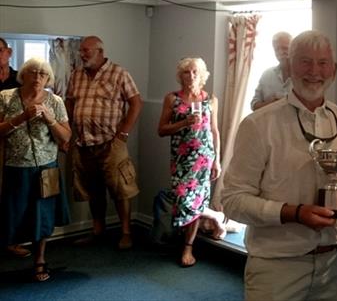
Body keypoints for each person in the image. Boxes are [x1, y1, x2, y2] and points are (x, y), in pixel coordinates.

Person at [222, 30, 337, 301]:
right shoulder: (258, 124)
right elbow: (232, 201)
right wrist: (294, 212)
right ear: (289, 67)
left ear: (334, 70)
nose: (315, 71)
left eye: (323, 63)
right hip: (277, 265)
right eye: (305, 61)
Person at [66, 36, 142, 250]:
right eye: (81, 50)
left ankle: (126, 233)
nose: (82, 54)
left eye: (86, 50)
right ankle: (98, 231)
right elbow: (70, 101)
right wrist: (71, 126)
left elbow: (136, 103)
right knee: (93, 190)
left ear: (100, 51)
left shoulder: (119, 73)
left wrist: (123, 134)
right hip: (83, 144)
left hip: (111, 144)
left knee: (120, 190)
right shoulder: (76, 75)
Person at [0, 58, 72, 282]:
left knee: (43, 216)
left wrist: (50, 120)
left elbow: (66, 137)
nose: (38, 78)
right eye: (34, 73)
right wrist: (23, 117)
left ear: (48, 78)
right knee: (12, 216)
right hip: (16, 167)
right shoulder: (6, 97)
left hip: (46, 169)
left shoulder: (56, 101)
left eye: (43, 74)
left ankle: (39, 260)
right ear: (24, 75)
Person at [157, 57, 221, 267]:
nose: (191, 76)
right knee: (183, 200)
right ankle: (215, 218)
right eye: (186, 72)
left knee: (197, 201)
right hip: (182, 160)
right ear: (180, 76)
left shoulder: (210, 99)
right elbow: (161, 130)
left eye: (195, 72)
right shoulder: (172, 99)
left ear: (201, 75)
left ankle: (188, 247)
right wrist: (184, 122)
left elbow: (214, 131)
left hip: (204, 159)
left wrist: (216, 160)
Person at [0, 37, 31, 258]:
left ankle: (11, 241)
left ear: (8, 52)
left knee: (11, 196)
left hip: (13, 146)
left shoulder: (19, 80)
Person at [250, 31, 292, 111]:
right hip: (268, 123)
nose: (280, 52)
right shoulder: (266, 75)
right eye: (277, 49)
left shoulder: (303, 75)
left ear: (293, 48)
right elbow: (254, 105)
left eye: (285, 48)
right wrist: (271, 103)